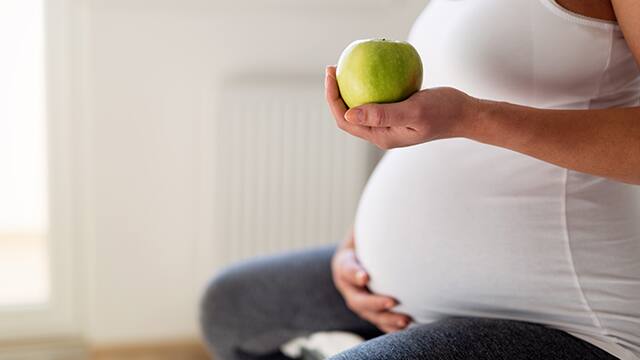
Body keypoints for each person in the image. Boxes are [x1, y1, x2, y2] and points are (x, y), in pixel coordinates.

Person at [200, 0, 640, 359]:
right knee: (233, 308)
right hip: (404, 295)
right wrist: (359, 243)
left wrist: (473, 117)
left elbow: (464, 115)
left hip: (565, 319)